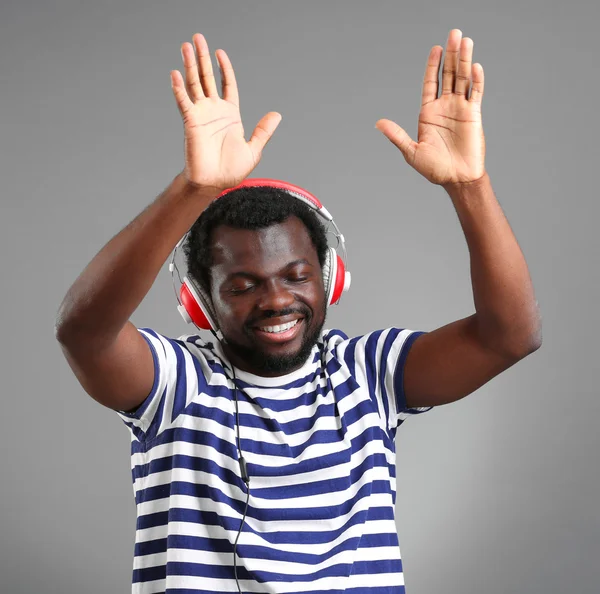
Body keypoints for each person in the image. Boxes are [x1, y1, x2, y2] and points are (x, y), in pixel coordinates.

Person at [55, 28, 542, 594]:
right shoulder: (174, 384)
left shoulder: (368, 375)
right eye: (242, 285)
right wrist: (191, 188)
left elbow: (510, 336)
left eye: (297, 275)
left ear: (330, 279)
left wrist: (470, 185)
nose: (277, 299)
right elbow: (83, 332)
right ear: (197, 301)